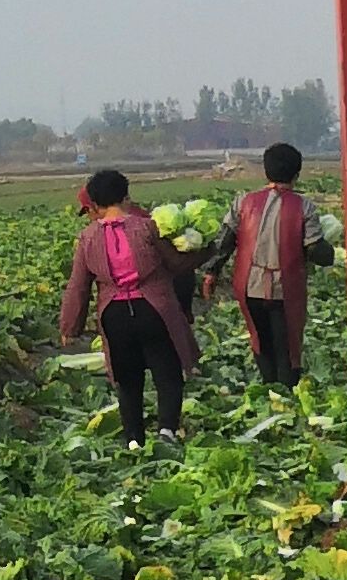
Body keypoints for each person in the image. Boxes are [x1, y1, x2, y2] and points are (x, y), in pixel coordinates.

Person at [56, 167, 200, 446]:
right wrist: (204, 252)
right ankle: (166, 431)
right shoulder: (147, 227)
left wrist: (69, 326)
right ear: (126, 197)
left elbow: (78, 286)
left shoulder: (88, 238)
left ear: (94, 204)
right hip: (154, 308)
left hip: (114, 314)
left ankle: (134, 439)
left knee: (127, 377)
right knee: (167, 371)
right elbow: (176, 264)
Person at [218, 143, 328, 388]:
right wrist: (329, 251)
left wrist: (210, 274)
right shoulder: (304, 206)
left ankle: (268, 389)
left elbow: (224, 242)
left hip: (249, 286)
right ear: (296, 175)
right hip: (285, 289)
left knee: (260, 339)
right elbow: (316, 250)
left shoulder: (243, 202)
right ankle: (286, 392)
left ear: (265, 172)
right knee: (287, 345)